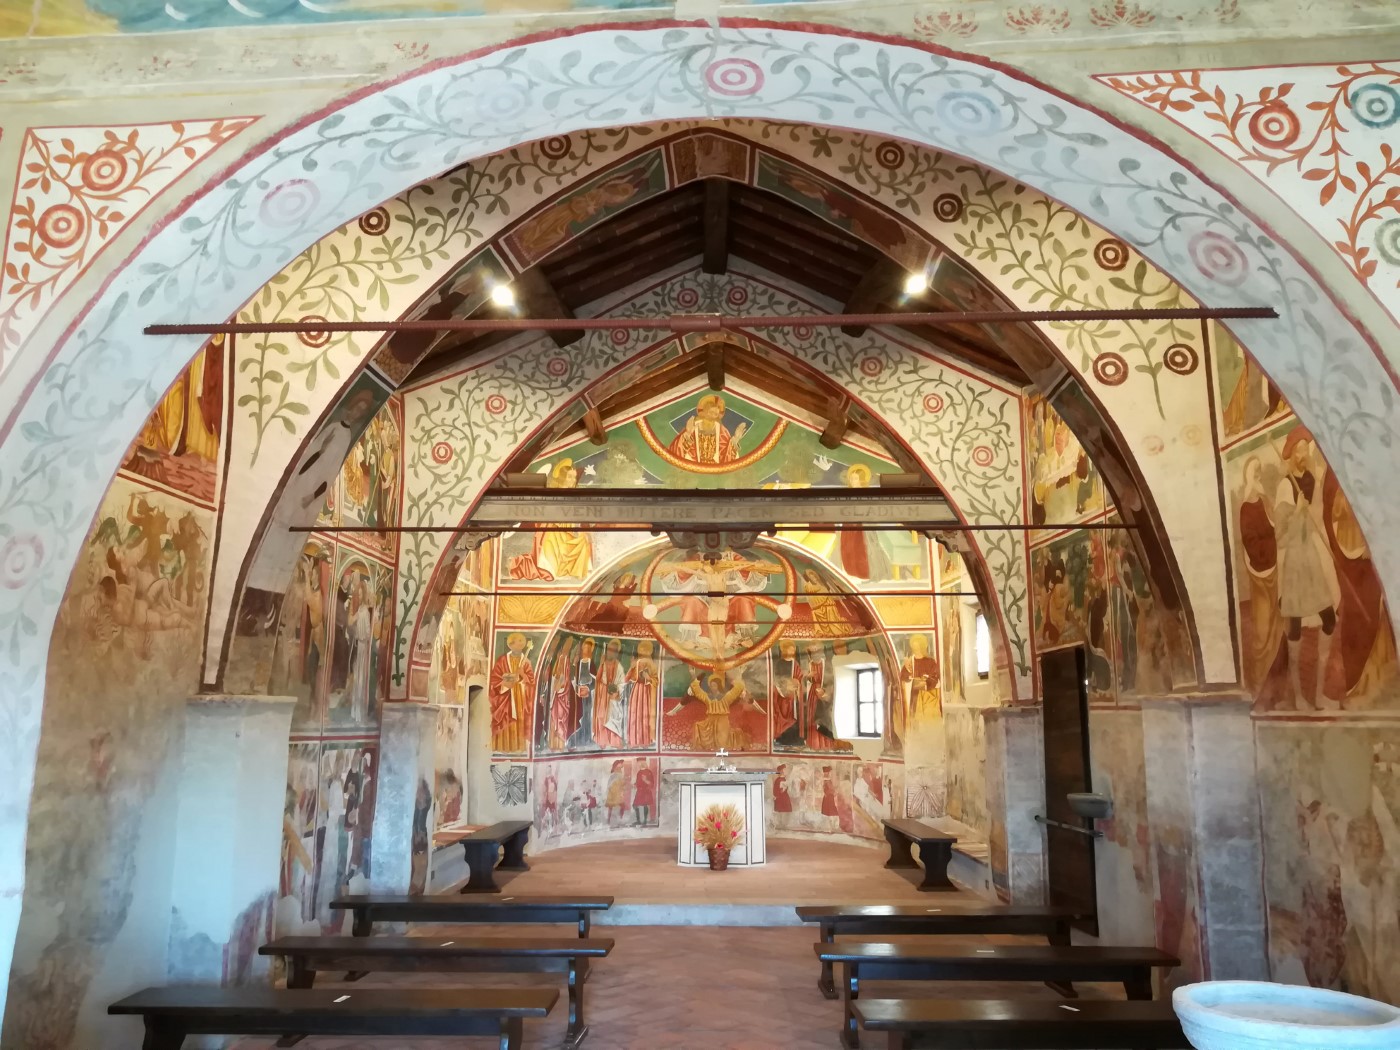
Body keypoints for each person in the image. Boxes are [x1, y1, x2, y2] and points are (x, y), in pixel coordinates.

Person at [489, 632, 536, 753]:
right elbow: (494, 679)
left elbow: (531, 681)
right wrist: (505, 683)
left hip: (520, 696)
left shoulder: (526, 662)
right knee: (505, 718)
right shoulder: (502, 660)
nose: (520, 644)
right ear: (510, 644)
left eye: (522, 641)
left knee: (519, 719)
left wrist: (522, 675)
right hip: (506, 697)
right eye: (517, 642)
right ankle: (503, 746)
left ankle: (518, 747)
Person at [668, 394, 746, 465]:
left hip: (714, 468)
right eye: (711, 412)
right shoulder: (693, 427)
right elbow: (676, 452)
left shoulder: (722, 431)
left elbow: (726, 458)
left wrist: (735, 440)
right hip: (694, 466)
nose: (712, 416)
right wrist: (687, 434)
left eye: (715, 414)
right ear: (704, 412)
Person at [624, 639, 658, 748]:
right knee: (634, 714)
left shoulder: (651, 664)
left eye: (646, 649)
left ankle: (645, 741)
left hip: (646, 692)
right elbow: (626, 679)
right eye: (642, 649)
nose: (643, 651)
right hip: (637, 691)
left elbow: (656, 680)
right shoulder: (637, 662)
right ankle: (634, 740)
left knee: (645, 715)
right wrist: (631, 667)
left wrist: (648, 678)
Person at [901, 634, 941, 723]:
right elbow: (903, 678)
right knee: (915, 722)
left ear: (922, 647)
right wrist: (910, 677)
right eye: (914, 647)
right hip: (914, 697)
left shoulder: (930, 662)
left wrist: (926, 681)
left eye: (918, 647)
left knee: (929, 722)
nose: (916, 649)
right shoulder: (909, 663)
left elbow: (935, 677)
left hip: (928, 698)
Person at [567, 638, 598, 748]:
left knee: (587, 716)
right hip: (578, 694)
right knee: (578, 714)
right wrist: (577, 688)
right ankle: (576, 739)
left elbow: (595, 680)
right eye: (585, 647)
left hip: (588, 695)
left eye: (589, 647)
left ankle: (587, 738)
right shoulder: (578, 663)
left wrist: (588, 688)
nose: (587, 649)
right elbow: (572, 677)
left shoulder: (591, 663)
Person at [631, 762, 656, 826]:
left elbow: (651, 784)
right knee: (635, 805)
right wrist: (635, 784)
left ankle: (644, 821)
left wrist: (645, 780)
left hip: (646, 791)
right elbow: (638, 782)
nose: (639, 765)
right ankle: (639, 821)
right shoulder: (639, 772)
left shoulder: (649, 772)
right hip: (639, 791)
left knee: (645, 805)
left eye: (640, 763)